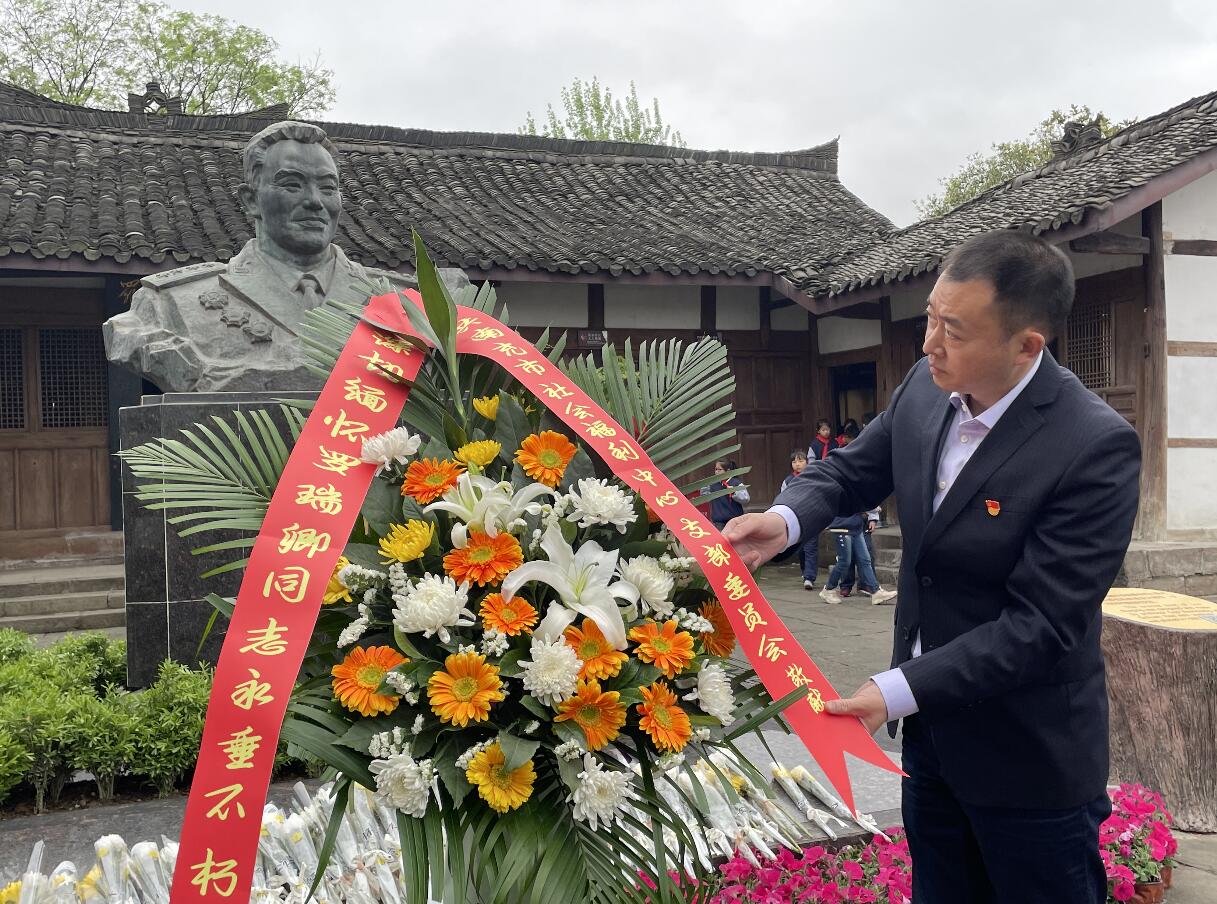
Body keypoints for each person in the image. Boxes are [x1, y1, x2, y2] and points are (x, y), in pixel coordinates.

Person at [723, 229, 1141, 904]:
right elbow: (849, 472)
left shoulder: (1092, 446)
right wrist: (785, 520)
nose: (928, 345)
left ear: (1025, 345)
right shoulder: (926, 387)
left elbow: (1040, 626)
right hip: (930, 743)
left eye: (953, 330)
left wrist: (893, 690)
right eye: (929, 318)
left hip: (1028, 759)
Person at [104, 121, 465, 392]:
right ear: (251, 200)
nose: (315, 201)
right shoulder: (170, 304)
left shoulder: (408, 303)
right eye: (292, 184)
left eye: (328, 187)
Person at [819, 511, 897, 605]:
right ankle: (828, 589)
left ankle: (876, 591)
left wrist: (871, 516)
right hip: (842, 526)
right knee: (844, 561)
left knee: (865, 560)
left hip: (856, 526)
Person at [781, 450, 820, 590]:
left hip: (812, 517)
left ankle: (809, 577)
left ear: (807, 462)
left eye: (801, 461)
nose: (797, 464)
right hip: (796, 519)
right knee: (801, 549)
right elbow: (783, 497)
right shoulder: (788, 480)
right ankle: (805, 573)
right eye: (794, 462)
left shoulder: (814, 477)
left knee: (811, 548)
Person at [706, 459, 750, 530]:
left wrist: (734, 492)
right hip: (718, 522)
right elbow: (705, 497)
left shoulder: (736, 483)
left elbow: (746, 499)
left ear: (728, 471)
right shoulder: (712, 485)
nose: (716, 472)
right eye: (716, 469)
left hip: (734, 521)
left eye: (720, 469)